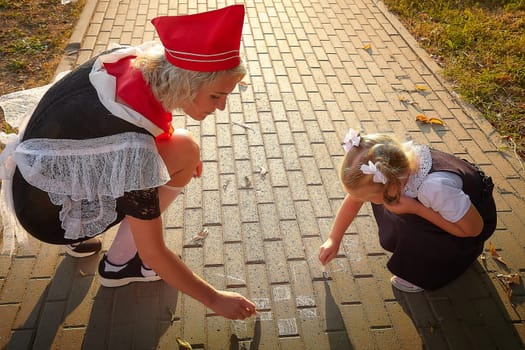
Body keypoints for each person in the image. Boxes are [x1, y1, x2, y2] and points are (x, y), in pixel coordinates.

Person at [0, 4, 256, 320]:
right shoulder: (133, 148)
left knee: (182, 148)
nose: (221, 108)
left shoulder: (130, 62)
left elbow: (111, 130)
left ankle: (83, 241)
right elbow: (156, 251)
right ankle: (121, 264)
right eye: (216, 96)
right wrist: (215, 299)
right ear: (186, 84)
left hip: (34, 184)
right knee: (184, 150)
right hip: (51, 215)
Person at [318, 129, 497, 292]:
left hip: (470, 222)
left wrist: (417, 209)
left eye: (370, 198)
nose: (365, 202)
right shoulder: (393, 163)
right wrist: (334, 238)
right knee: (399, 214)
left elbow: (473, 230)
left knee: (412, 225)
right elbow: (355, 198)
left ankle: (451, 262)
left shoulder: (434, 188)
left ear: (392, 186)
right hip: (451, 208)